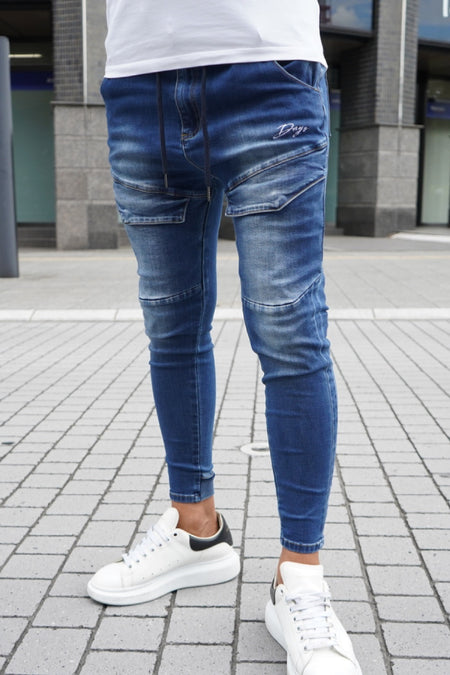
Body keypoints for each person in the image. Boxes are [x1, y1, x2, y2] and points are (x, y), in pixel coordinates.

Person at [87, 1, 362, 673]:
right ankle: (195, 530)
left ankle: (298, 577)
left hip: (267, 66)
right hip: (138, 79)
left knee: (290, 332)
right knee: (170, 327)